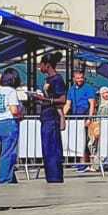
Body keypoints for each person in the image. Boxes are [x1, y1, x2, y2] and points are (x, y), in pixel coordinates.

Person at [36, 53, 68, 184]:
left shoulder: (57, 80)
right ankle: (50, 176)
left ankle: (55, 177)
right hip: (45, 116)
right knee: (46, 149)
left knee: (52, 148)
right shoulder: (47, 80)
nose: (39, 67)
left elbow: (62, 99)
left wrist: (45, 99)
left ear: (47, 65)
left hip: (52, 118)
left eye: (41, 64)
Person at [0, 68, 23, 184]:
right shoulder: (11, 91)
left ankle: (11, 177)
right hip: (9, 123)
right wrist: (21, 114)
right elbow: (14, 110)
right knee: (9, 153)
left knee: (3, 152)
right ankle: (4, 180)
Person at [67, 68, 97, 170]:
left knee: (85, 140)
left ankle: (84, 163)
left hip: (85, 115)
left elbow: (92, 103)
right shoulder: (72, 89)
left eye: (81, 77)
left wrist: (89, 118)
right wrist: (62, 115)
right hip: (75, 116)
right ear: (74, 78)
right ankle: (80, 161)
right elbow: (68, 104)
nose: (79, 79)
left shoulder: (88, 88)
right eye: (77, 78)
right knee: (78, 140)